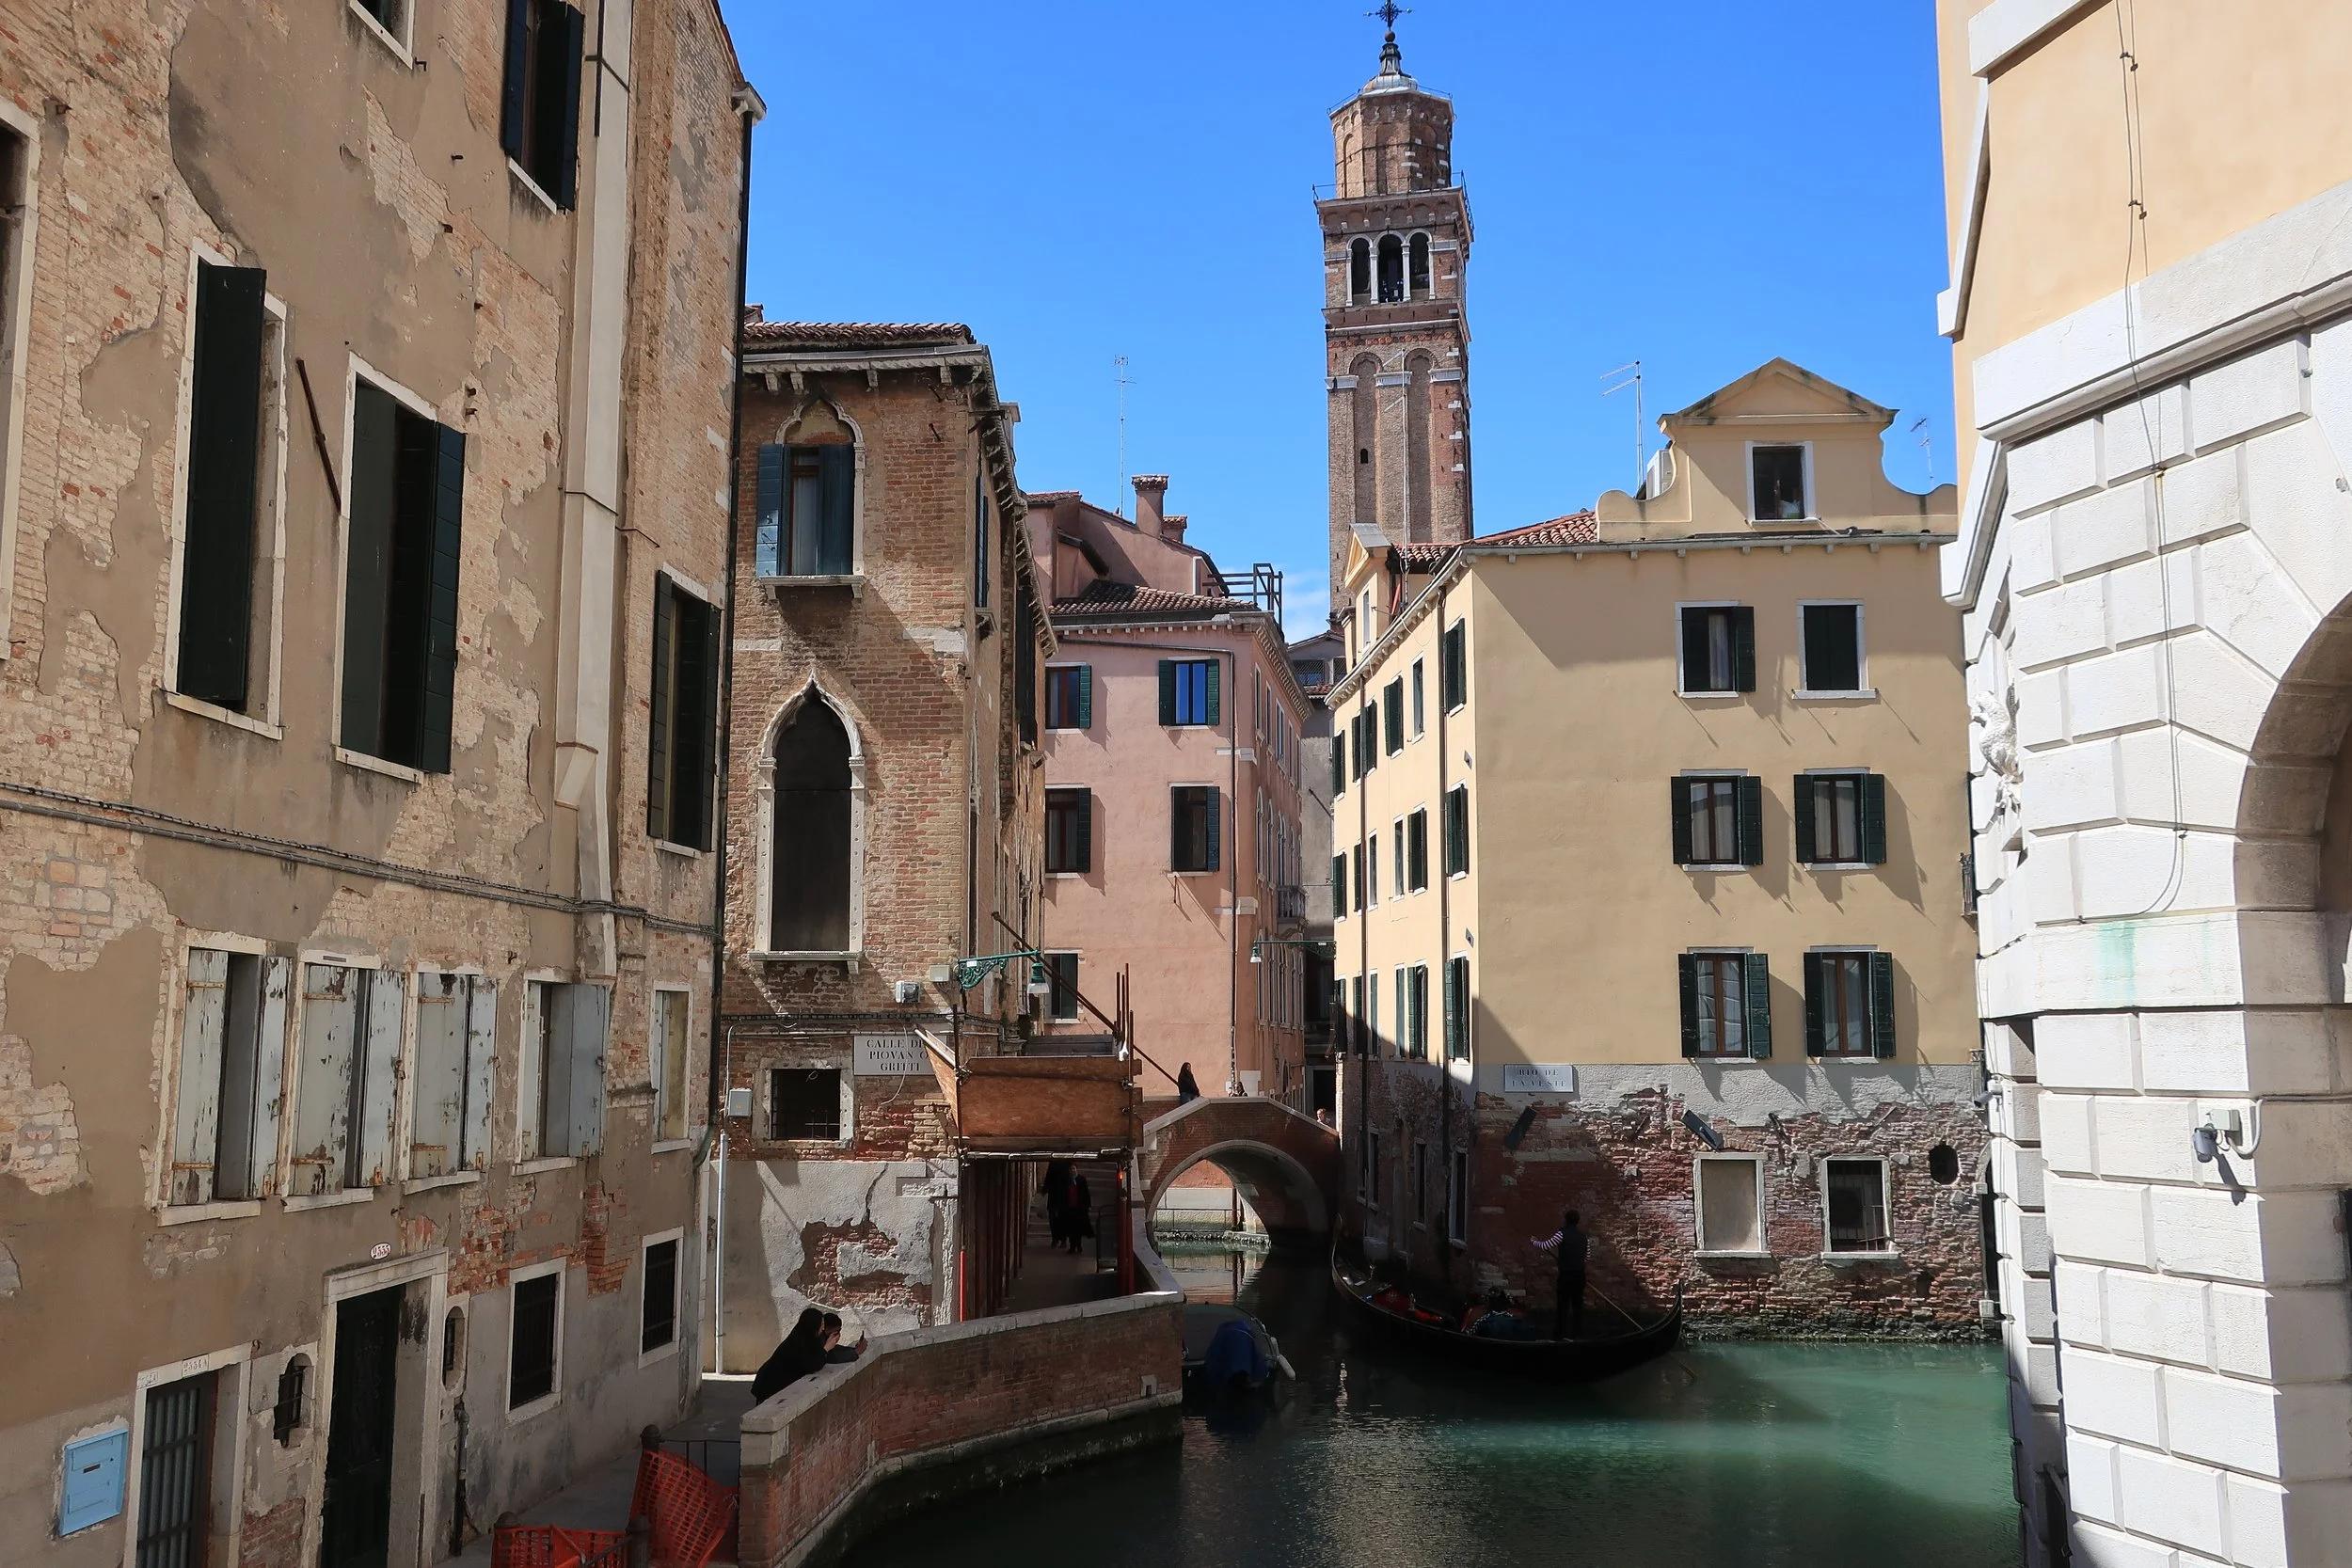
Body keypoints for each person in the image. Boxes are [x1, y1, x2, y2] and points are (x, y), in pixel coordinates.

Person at [1532, 1210, 1590, 1338]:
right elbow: (1586, 1257)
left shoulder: (1561, 1234)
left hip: (1566, 1276)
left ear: (1566, 1220)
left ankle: (1560, 1335)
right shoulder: (1584, 1237)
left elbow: (1546, 1245)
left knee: (1563, 1305)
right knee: (1577, 1306)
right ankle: (1578, 1335)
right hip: (1580, 1275)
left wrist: (1534, 1241)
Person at [750, 1307, 826, 1402]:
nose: (823, 1328)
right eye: (821, 1324)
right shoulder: (799, 1342)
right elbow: (812, 1365)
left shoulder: (806, 1338)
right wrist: (826, 1350)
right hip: (771, 1387)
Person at [1041, 1159, 1073, 1250]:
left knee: (1058, 1218)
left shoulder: (1058, 1162)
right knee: (1055, 1218)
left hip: (1060, 1194)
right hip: (1059, 1194)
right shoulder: (1063, 1162)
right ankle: (1059, 1239)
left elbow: (1049, 1176)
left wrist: (1045, 1189)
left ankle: (1059, 1239)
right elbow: (1049, 1176)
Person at [1065, 1171, 1094, 1253]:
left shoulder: (1081, 1179)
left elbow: (1086, 1193)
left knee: (1078, 1228)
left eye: (1074, 1169)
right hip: (1070, 1208)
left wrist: (1088, 1205)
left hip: (1079, 1208)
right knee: (1071, 1229)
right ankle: (1072, 1246)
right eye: (1071, 1169)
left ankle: (1078, 1245)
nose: (1072, 1171)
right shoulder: (1067, 1180)